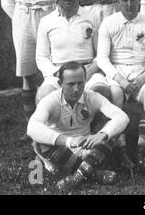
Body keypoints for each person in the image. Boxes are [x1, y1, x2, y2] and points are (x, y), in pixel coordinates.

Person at [1, 0, 67, 141]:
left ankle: (60, 121)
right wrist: (21, 19)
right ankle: (32, 127)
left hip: (50, 15)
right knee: (28, 73)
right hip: (24, 18)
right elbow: (6, 0)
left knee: (56, 69)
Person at [27, 61, 130, 193]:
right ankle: (93, 172)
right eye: (70, 84)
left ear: (85, 81)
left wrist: (102, 134)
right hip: (59, 154)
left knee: (114, 130)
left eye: (80, 83)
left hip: (87, 150)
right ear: (60, 84)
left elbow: (122, 117)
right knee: (39, 142)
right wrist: (69, 141)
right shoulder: (51, 100)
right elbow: (32, 127)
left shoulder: (91, 97)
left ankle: (77, 176)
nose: (76, 89)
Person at [97, 0, 145, 170]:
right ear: (118, 2)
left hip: (141, 70)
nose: (129, 4)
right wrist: (120, 80)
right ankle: (122, 151)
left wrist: (144, 77)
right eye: (124, 0)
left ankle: (142, 151)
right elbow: (102, 58)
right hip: (117, 72)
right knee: (116, 97)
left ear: (140, 0)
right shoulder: (109, 22)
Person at [36, 0, 110, 102]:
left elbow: (102, 53)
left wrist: (91, 70)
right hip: (58, 73)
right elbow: (41, 57)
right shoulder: (46, 21)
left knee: (101, 91)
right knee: (43, 96)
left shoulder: (93, 17)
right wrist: (58, 73)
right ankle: (55, 123)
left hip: (87, 72)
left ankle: (92, 123)